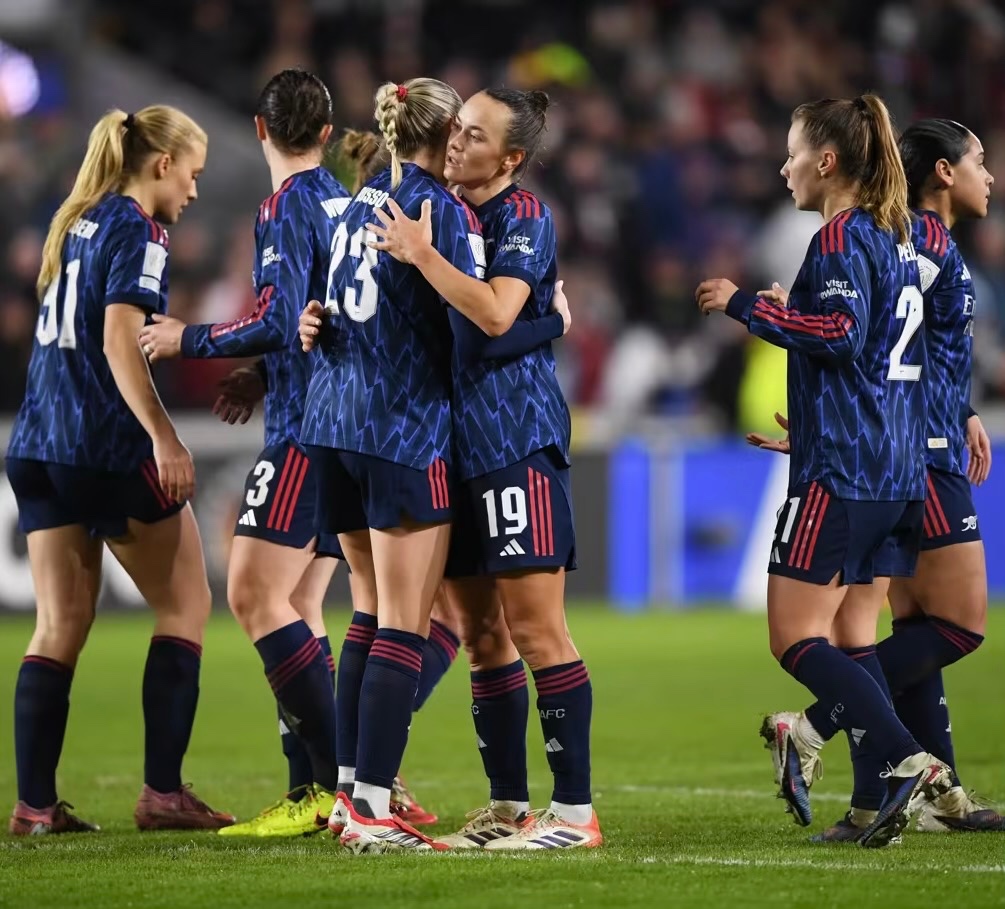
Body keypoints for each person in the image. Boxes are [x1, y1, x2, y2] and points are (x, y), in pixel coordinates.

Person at [695, 94, 954, 848]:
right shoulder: (894, 238)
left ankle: (907, 759)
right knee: (853, 637)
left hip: (845, 473)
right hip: (893, 467)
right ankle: (871, 803)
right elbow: (872, 353)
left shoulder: (839, 236)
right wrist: (810, 424)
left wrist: (744, 306)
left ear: (827, 161)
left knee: (793, 637)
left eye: (792, 153)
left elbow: (839, 335)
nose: (784, 168)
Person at [750, 119, 1002, 839]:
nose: (989, 175)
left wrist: (961, 408)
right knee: (956, 624)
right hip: (913, 455)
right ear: (943, 172)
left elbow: (903, 348)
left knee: (894, 628)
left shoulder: (904, 238)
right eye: (978, 161)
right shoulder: (913, 240)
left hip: (895, 448)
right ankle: (820, 729)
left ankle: (901, 795)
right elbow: (879, 344)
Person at [364, 88, 599, 850]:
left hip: (512, 440)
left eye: (473, 135)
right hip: (453, 446)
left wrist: (423, 255)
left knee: (536, 628)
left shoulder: (522, 215)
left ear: (511, 158)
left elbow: (492, 316)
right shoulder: (440, 208)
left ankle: (574, 813)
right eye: (455, 129)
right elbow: (469, 338)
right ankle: (507, 805)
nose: (456, 143)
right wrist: (549, 321)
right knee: (481, 635)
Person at [5, 105, 234, 834]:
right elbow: (117, 341)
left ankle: (34, 806)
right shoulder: (140, 230)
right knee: (187, 603)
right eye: (191, 174)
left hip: (36, 443)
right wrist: (165, 437)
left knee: (59, 623)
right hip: (101, 446)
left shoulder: (77, 220)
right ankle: (162, 792)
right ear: (161, 164)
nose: (193, 190)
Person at [137, 69, 348, 836]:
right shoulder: (345, 201)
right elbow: (326, 319)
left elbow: (280, 316)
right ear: (325, 133)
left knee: (254, 595)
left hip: (305, 431)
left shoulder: (285, 206)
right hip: (346, 422)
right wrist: (264, 371)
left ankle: (350, 783)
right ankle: (313, 793)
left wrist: (185, 337)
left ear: (259, 130)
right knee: (300, 607)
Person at [298, 77, 485, 854]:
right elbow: (475, 323)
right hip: (400, 427)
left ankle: (349, 792)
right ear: (446, 136)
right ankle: (373, 805)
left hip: (331, 425)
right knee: (408, 622)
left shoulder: (353, 203)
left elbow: (326, 305)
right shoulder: (440, 212)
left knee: (369, 614)